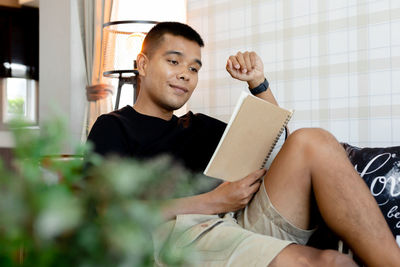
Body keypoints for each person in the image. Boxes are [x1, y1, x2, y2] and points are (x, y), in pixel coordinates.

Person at [87, 22, 400, 267]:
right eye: (174, 61)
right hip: (176, 234)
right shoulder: (113, 126)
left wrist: (258, 83)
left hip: (235, 223)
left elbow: (280, 144)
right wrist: (214, 201)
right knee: (331, 261)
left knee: (311, 140)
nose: (185, 74)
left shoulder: (199, 126)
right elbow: (107, 215)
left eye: (194, 68)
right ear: (142, 64)